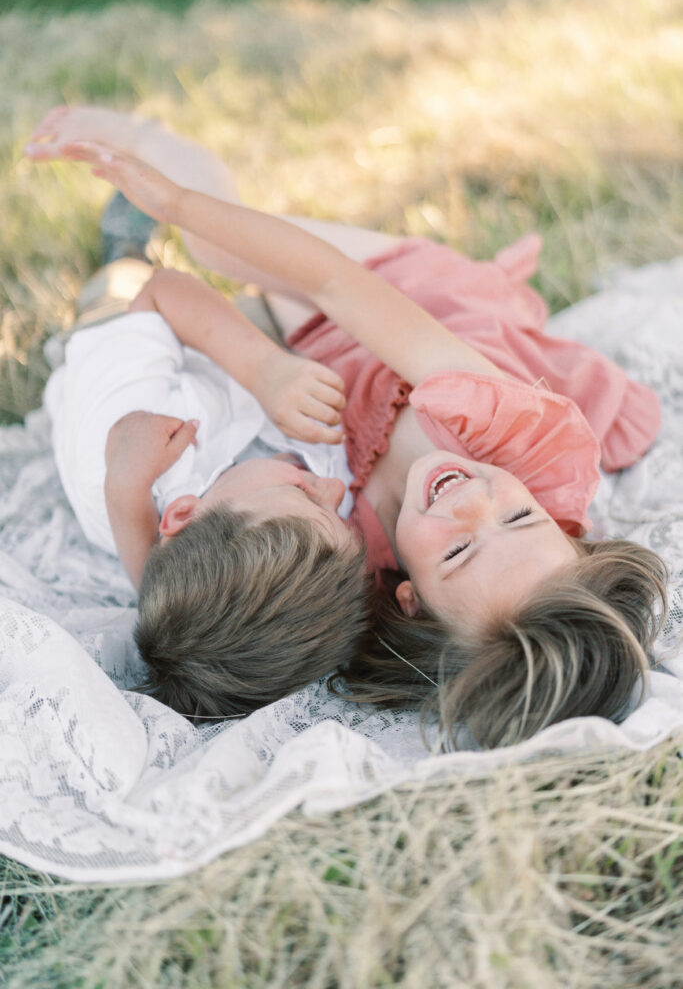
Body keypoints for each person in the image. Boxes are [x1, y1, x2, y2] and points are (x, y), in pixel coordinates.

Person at [26, 108, 668, 748]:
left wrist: (126, 495)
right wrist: (176, 201)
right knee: (213, 245)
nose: (473, 500)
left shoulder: (347, 568)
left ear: (409, 599)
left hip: (316, 355)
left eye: (458, 550)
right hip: (398, 303)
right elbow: (333, 281)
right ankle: (147, 138)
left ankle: (119, 274)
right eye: (522, 517)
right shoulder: (509, 432)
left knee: (146, 318)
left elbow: (198, 592)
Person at [42, 256, 371, 722]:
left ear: (181, 514)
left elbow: (161, 292)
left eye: (304, 490)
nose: (336, 486)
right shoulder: (289, 535)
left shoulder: (136, 431)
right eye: (339, 514)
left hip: (120, 341)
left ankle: (119, 254)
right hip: (221, 378)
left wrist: (265, 370)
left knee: (122, 281)